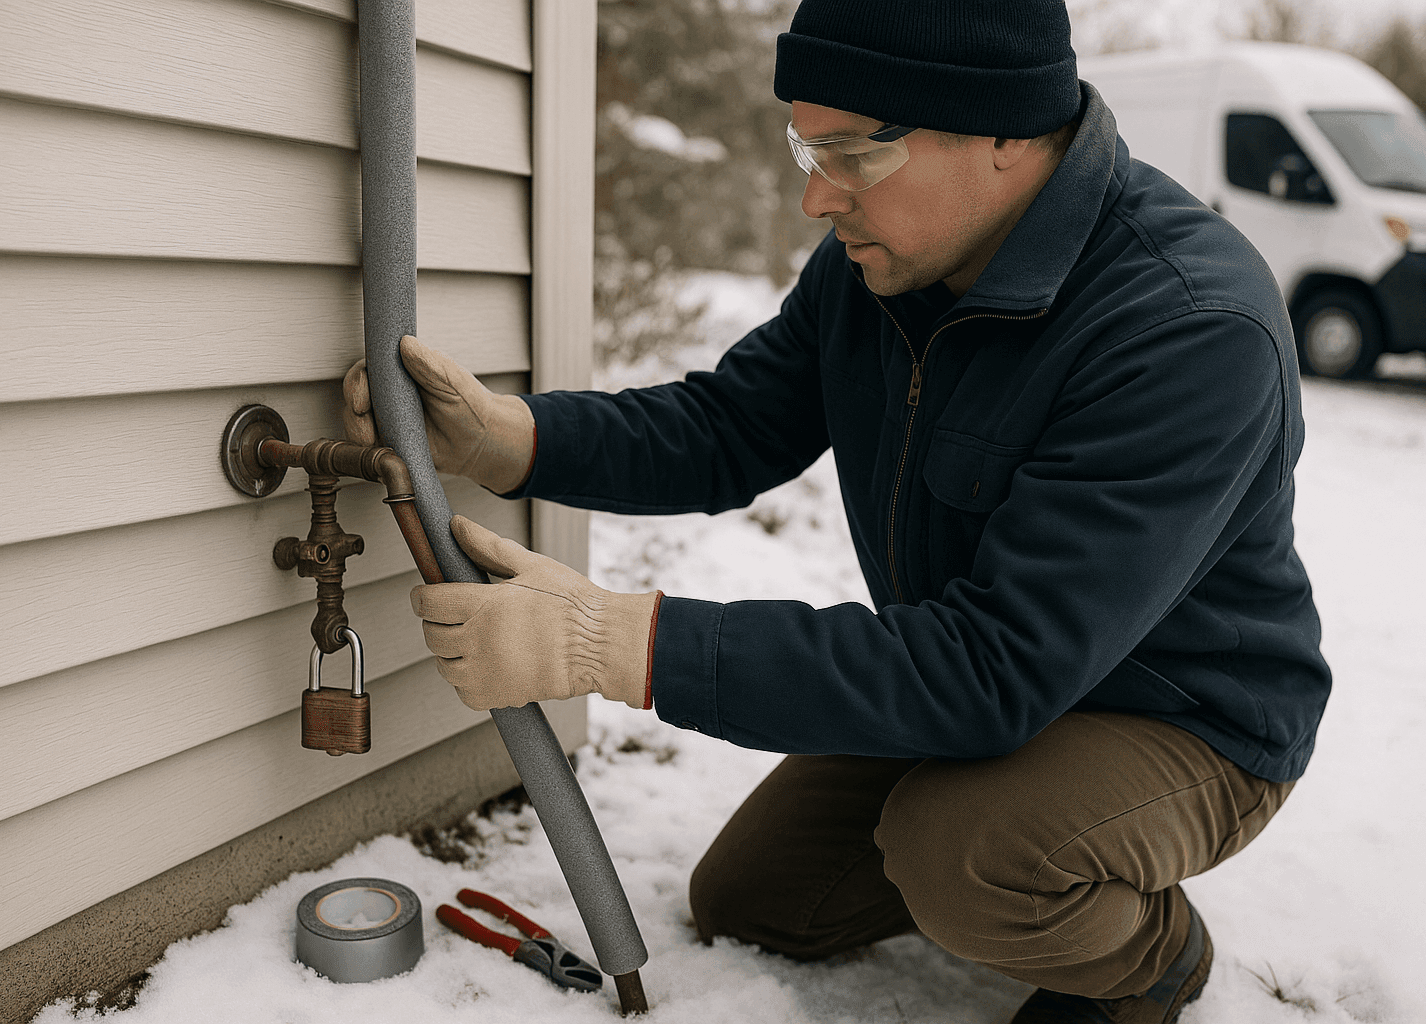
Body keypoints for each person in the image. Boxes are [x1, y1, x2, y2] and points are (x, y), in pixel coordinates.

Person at [343, 1, 1330, 1019]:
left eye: (852, 153)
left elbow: (996, 667)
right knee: (755, 898)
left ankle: (1153, 960)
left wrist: (610, 643)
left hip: (1183, 719)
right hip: (978, 682)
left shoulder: (1187, 326)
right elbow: (729, 424)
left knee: (961, 855)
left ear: (998, 133)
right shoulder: (890, 263)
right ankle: (1011, 847)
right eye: (807, 147)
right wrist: (514, 440)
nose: (818, 197)